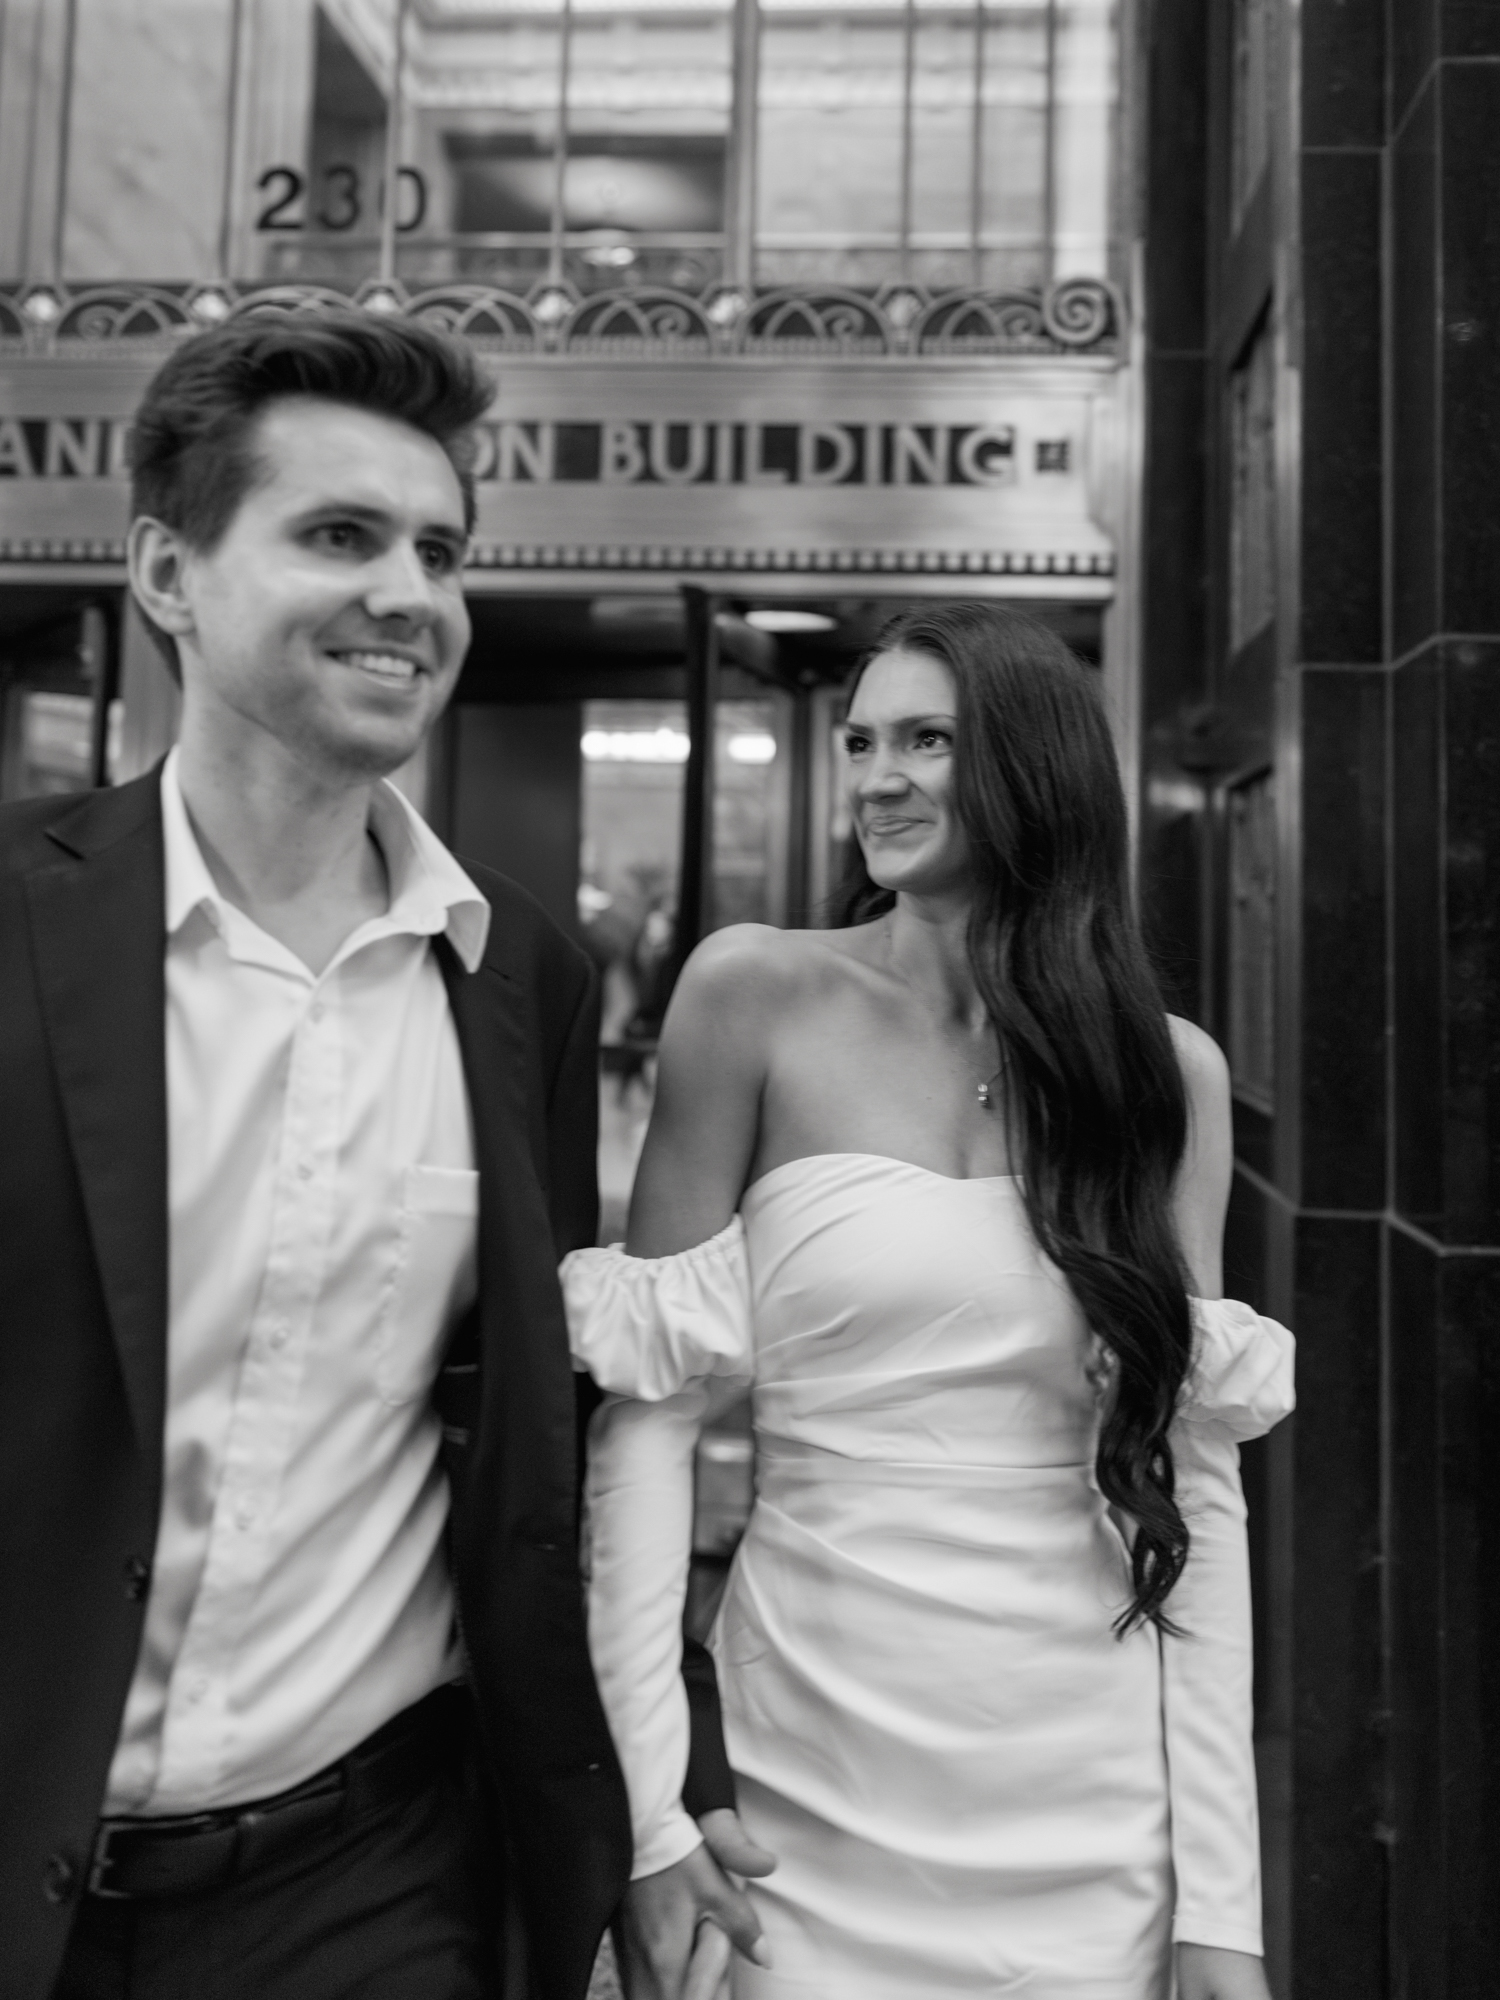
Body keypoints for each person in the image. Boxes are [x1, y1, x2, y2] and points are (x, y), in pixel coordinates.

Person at [0, 310, 646, 2000]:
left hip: (365, 1884)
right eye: (339, 536)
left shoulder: (521, 976)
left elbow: (532, 1441)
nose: (411, 595)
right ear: (167, 572)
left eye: (439, 549)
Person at [562, 604, 1296, 2000]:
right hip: (803, 1767)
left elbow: (1195, 1488)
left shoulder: (1163, 1075)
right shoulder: (751, 995)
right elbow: (645, 1443)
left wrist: (1224, 1906)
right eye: (860, 741)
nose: (876, 778)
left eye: (925, 741)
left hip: (1090, 1799)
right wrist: (654, 1808)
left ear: (1034, 769)